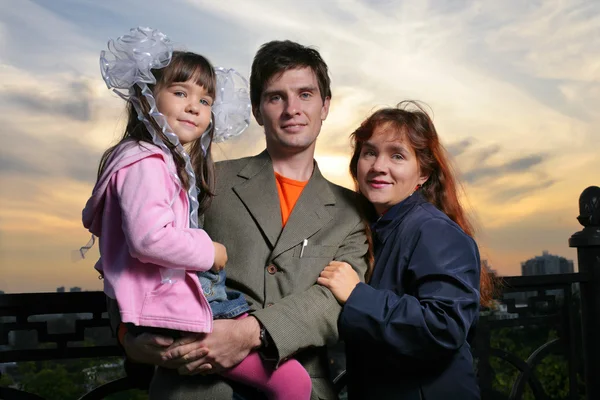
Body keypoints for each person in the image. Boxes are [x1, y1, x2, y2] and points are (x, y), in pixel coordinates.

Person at [111, 40, 370, 400]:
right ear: (256, 109)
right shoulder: (206, 178)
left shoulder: (352, 211)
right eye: (276, 97)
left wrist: (250, 334)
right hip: (193, 384)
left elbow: (334, 302)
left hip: (300, 387)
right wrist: (129, 336)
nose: (292, 109)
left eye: (306, 95)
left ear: (325, 105)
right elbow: (135, 248)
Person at [82, 28, 315, 400]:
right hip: (184, 325)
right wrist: (211, 250)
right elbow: (146, 243)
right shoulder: (171, 170)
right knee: (291, 384)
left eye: (206, 100)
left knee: (296, 382)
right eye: (180, 93)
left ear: (326, 104)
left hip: (220, 322)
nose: (194, 107)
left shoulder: (175, 170)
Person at [318, 102, 493, 399]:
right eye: (369, 152)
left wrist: (358, 295)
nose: (378, 166)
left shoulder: (434, 230)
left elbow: (443, 327)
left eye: (397, 155)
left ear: (422, 174)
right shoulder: (373, 228)